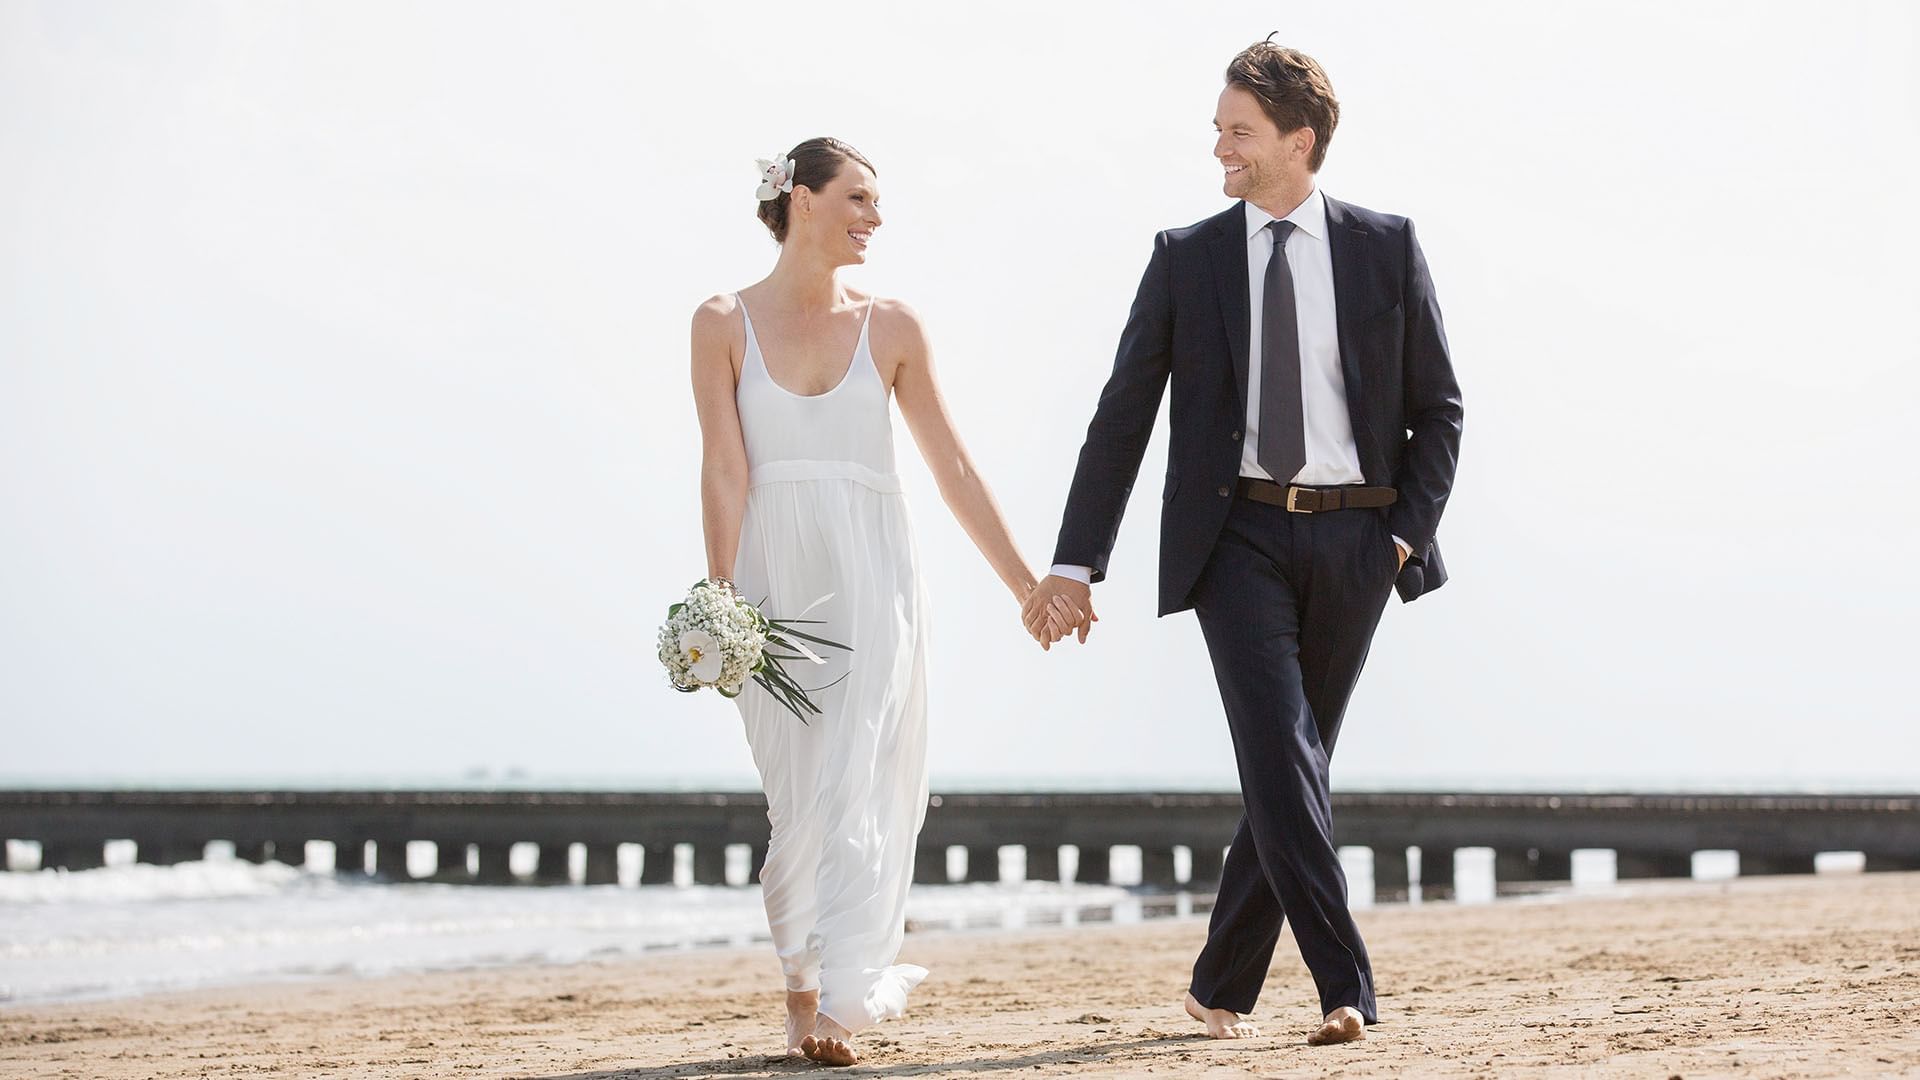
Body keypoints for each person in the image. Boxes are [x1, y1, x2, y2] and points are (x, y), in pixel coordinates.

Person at [1025, 41, 1464, 1046]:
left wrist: (1400, 541)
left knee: (1292, 764)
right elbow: (1122, 414)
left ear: (1298, 140)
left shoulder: (1385, 246)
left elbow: (1441, 410)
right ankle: (1345, 984)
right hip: (1236, 540)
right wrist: (1073, 561)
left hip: (1361, 536)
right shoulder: (1188, 257)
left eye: (1239, 131)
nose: (1219, 146)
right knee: (1279, 748)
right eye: (1218, 128)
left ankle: (1219, 984)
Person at [690, 137, 1075, 1066]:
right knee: (796, 791)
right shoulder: (720, 322)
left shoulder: (893, 326)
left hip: (873, 576)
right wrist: (720, 598)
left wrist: (1026, 584)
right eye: (858, 197)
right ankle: (798, 984)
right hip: (773, 583)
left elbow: (951, 467)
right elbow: (725, 465)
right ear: (802, 201)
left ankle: (835, 999)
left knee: (855, 775)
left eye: (877, 200)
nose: (875, 216)